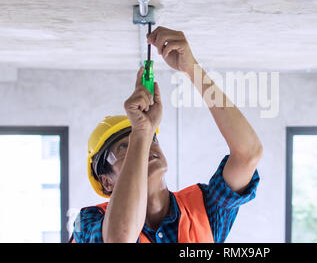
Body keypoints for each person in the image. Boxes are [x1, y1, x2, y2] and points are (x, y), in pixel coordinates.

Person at [71, 26, 263, 243]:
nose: (146, 147)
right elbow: (119, 237)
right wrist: (142, 132)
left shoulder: (203, 210)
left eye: (152, 138)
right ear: (106, 182)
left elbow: (248, 154)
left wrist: (192, 69)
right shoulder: (87, 222)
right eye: (126, 147)